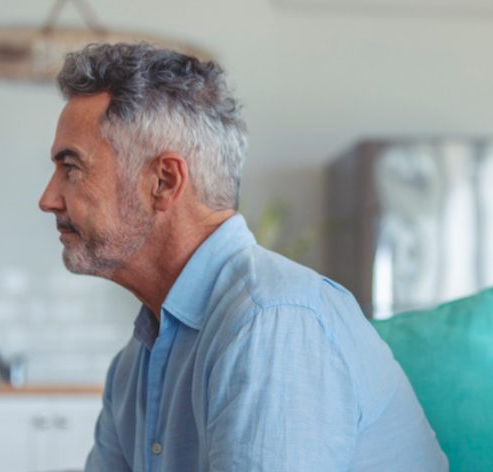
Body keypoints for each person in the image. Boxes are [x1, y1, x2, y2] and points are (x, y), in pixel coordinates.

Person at [38, 43, 447, 472]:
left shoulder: (273, 321)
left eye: (71, 168)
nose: (48, 199)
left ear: (163, 181)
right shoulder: (134, 365)